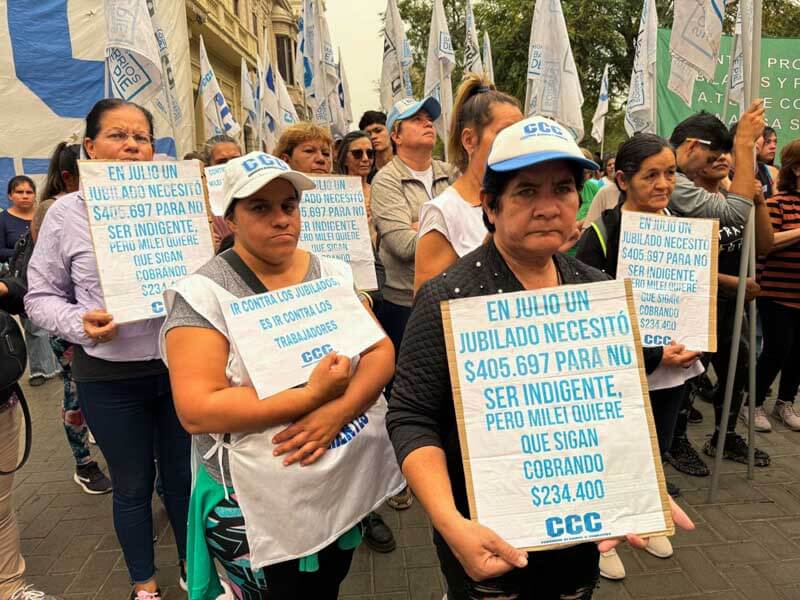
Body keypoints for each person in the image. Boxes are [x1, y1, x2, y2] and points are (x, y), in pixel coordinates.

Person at [387, 117, 693, 599]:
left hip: (579, 534)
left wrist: (636, 489)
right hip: (486, 534)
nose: (549, 208)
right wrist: (451, 525)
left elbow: (616, 407)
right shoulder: (450, 296)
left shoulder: (594, 288)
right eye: (527, 192)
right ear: (491, 205)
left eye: (563, 189)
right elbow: (411, 417)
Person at [161, 151, 404, 599]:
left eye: (288, 206)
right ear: (229, 217)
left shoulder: (329, 272)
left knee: (327, 584)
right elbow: (197, 409)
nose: (281, 220)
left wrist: (339, 412)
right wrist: (312, 395)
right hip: (252, 506)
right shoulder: (203, 294)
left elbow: (380, 352)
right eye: (260, 207)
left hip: (338, 482)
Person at [25, 98, 191, 600]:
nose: (132, 147)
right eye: (118, 136)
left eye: (141, 137)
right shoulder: (64, 216)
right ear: (90, 148)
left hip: (177, 365)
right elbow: (39, 295)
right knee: (133, 485)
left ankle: (195, 570)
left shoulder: (178, 200)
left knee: (184, 480)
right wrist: (78, 321)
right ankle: (144, 583)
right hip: (108, 376)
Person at [575, 134, 703, 579]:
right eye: (652, 175)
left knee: (657, 447)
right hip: (619, 372)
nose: (664, 183)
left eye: (671, 173)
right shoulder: (601, 234)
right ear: (623, 179)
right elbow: (592, 314)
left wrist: (696, 339)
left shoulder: (684, 224)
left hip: (672, 370)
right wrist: (651, 353)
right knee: (610, 451)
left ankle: (645, 520)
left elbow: (694, 296)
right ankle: (600, 539)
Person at [666, 150, 771, 476]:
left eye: (726, 153)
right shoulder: (681, 208)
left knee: (738, 368)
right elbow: (681, 262)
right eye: (712, 154)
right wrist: (731, 282)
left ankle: (724, 437)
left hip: (733, 306)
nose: (722, 159)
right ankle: (676, 440)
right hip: (697, 304)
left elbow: (763, 246)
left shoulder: (735, 200)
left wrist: (760, 202)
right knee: (692, 374)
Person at [35, 142, 112, 494]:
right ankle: (84, 462)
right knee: (75, 394)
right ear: (71, 177)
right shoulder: (56, 210)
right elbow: (50, 282)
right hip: (73, 326)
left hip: (108, 327)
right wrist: (75, 319)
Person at [0, 212, 61, 600]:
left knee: (1, 504)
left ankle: (11, 586)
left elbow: (24, 292)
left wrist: (5, 287)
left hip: (2, 398)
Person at [414, 74, 522, 291]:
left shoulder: (526, 204)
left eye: (521, 133)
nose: (516, 143)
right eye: (504, 133)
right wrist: (489, 252)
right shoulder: (443, 213)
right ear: (469, 140)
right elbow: (425, 309)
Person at [371, 96, 457, 366]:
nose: (427, 123)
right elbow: (404, 245)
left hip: (455, 296)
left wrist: (422, 225)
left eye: (429, 119)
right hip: (407, 305)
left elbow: (479, 228)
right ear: (395, 135)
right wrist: (453, 224)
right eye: (416, 120)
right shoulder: (386, 180)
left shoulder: (451, 172)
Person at [753, 140, 800, 431]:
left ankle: (785, 402)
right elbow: (765, 245)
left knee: (798, 353)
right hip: (778, 294)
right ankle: (753, 403)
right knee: (776, 349)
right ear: (795, 169)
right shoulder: (776, 203)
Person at [668, 103, 767, 230]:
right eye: (710, 159)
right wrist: (744, 143)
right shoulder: (672, 180)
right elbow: (734, 215)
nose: (709, 165)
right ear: (692, 146)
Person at [3, 176, 62, 387]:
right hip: (22, 278)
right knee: (34, 326)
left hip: (50, 273)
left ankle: (57, 365)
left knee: (52, 322)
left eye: (29, 192)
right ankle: (40, 370)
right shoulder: (4, 220)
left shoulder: (45, 214)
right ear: (10, 195)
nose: (25, 196)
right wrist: (24, 249)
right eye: (20, 192)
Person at [334, 130, 376, 242]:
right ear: (344, 159)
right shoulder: (333, 194)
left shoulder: (379, 191)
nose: (365, 158)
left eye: (370, 153)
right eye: (357, 153)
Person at [204, 136, 244, 246]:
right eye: (222, 162)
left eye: (235, 160)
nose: (230, 166)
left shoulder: (257, 193)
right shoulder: (201, 206)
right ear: (208, 167)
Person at [359, 110, 393, 176]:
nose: (373, 137)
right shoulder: (365, 168)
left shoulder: (406, 160)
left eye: (378, 131)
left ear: (390, 131)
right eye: (368, 134)